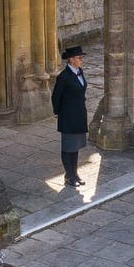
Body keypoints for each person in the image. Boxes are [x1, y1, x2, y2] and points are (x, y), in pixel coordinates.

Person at [51, 44, 88, 186]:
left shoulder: (80, 71)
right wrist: (57, 112)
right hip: (68, 116)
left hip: (79, 114)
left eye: (82, 58)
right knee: (68, 146)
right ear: (71, 59)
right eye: (79, 58)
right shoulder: (64, 77)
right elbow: (56, 96)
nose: (82, 60)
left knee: (75, 146)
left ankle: (74, 174)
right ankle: (69, 176)